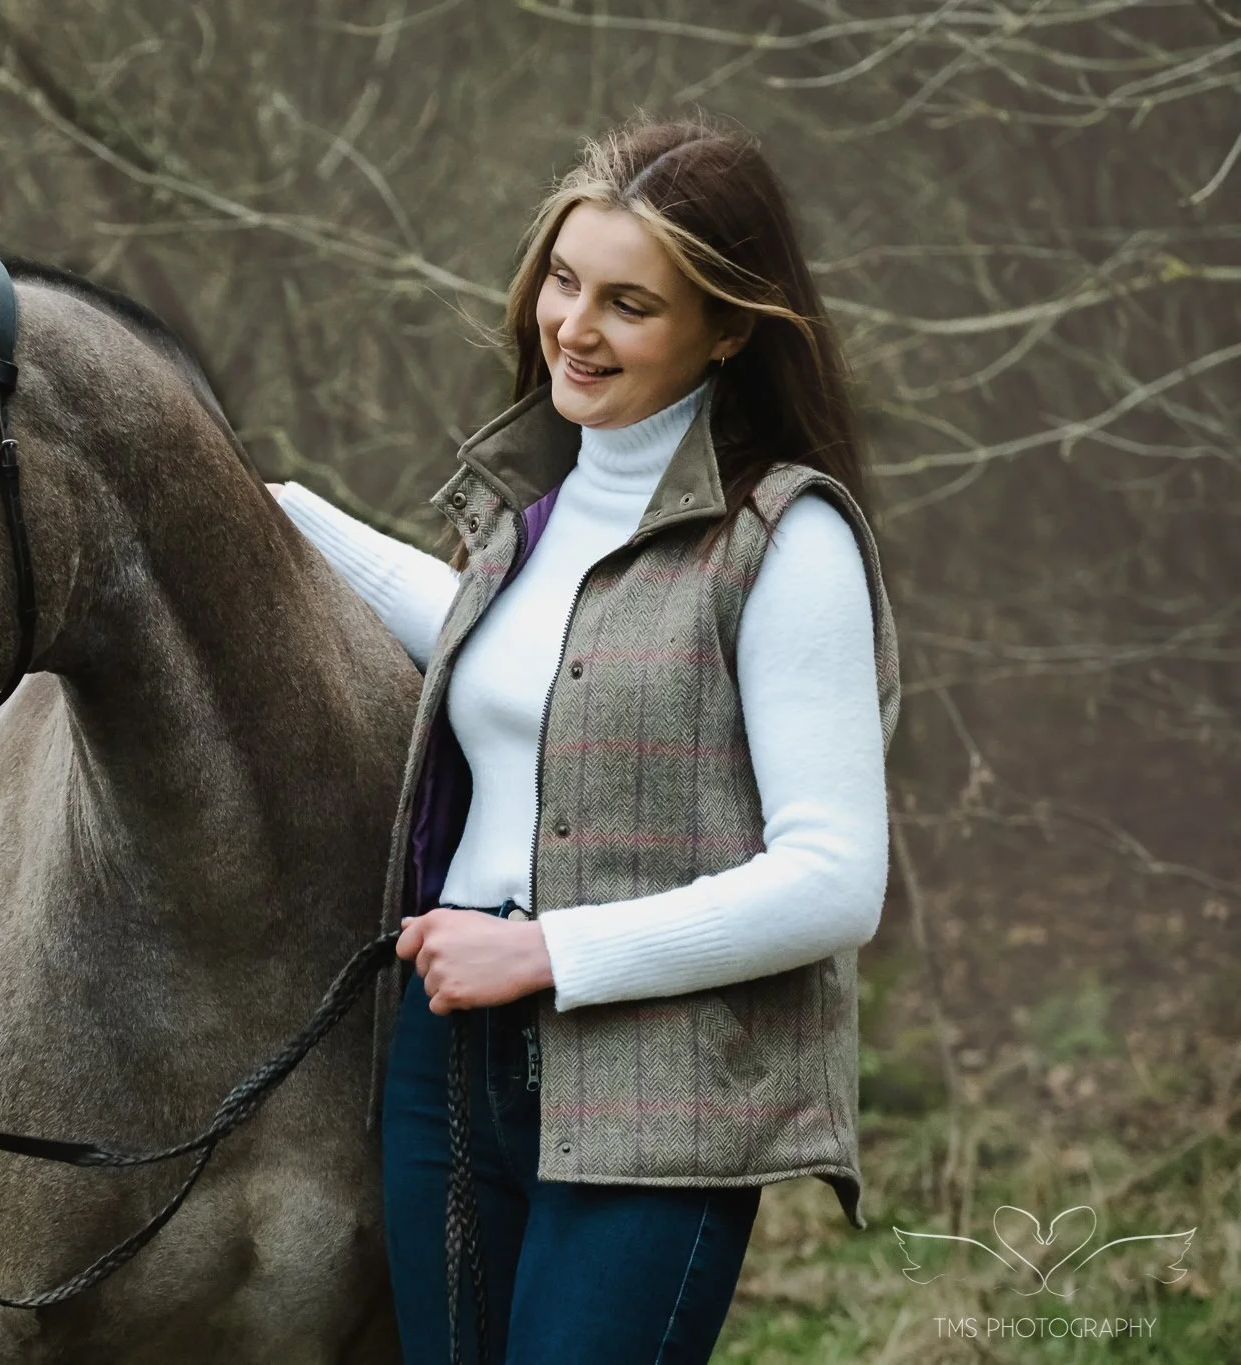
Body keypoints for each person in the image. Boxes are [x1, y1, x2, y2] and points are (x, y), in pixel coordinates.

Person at [269, 117, 900, 1364]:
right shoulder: (531, 518)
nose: (572, 326)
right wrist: (268, 507)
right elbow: (472, 640)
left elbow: (835, 882)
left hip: (654, 1094)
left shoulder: (784, 543)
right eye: (562, 280)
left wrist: (545, 953)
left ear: (727, 329)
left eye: (628, 304)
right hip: (446, 1070)